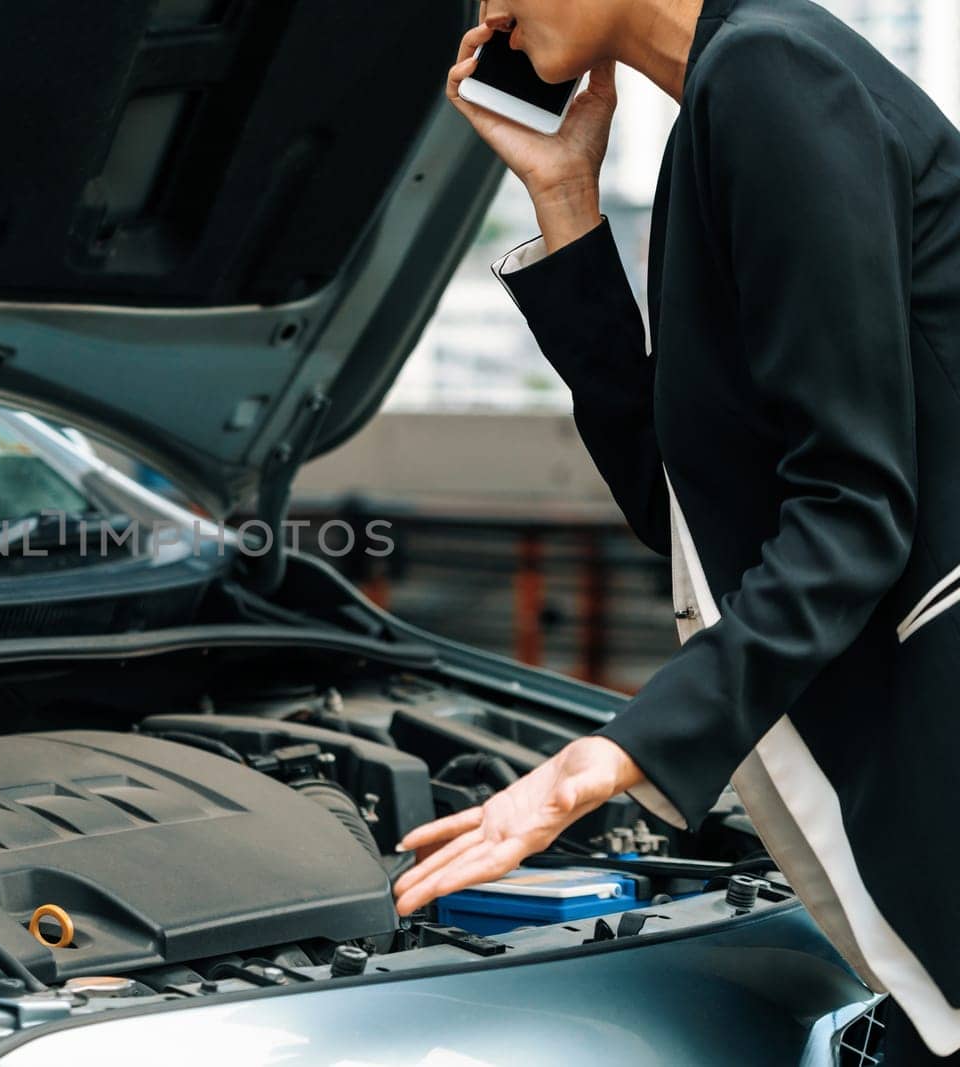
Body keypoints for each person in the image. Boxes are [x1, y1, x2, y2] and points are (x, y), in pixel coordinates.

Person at [389, 0, 960, 1059]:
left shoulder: (770, 73)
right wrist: (563, 200)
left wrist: (604, 759)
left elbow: (853, 510)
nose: (486, 12)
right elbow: (688, 514)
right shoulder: (729, 104)